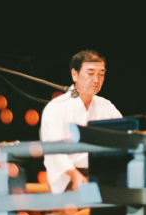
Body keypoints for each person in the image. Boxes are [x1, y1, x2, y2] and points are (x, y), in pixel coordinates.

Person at [41, 49, 122, 195]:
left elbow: (123, 137)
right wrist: (75, 175)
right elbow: (53, 150)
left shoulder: (107, 106)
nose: (96, 80)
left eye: (101, 74)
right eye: (90, 73)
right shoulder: (56, 107)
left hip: (104, 173)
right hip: (71, 176)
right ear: (75, 74)